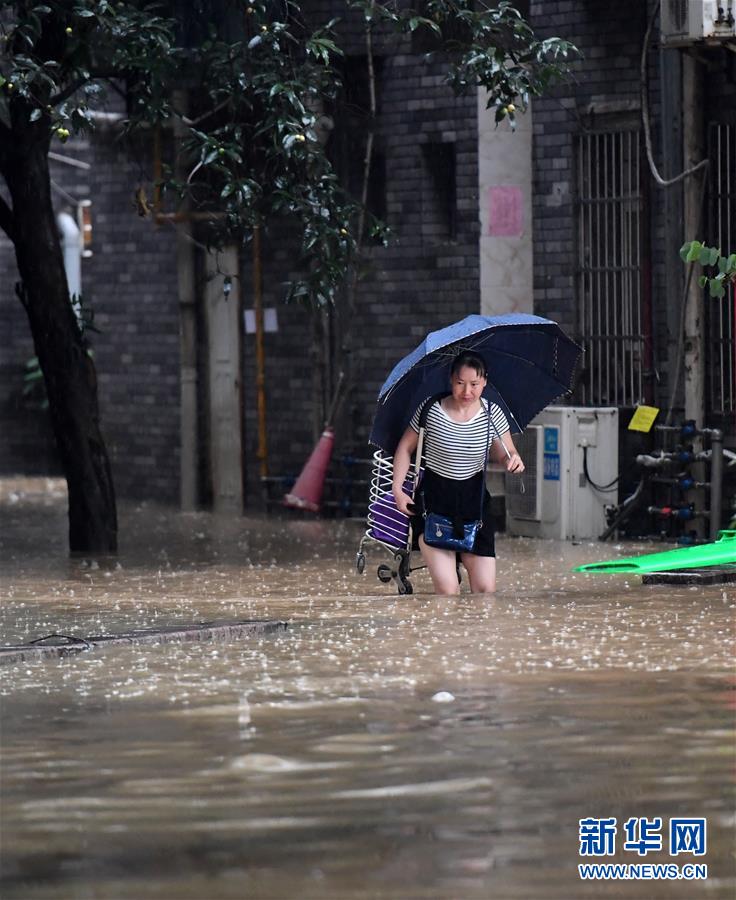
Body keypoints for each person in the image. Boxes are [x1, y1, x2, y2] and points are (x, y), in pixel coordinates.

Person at [391, 351, 524, 594]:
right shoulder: (430, 409)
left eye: (474, 384)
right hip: (434, 504)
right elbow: (404, 447)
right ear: (451, 379)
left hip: (474, 506)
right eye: (460, 383)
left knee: (485, 593)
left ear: (484, 381)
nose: (467, 392)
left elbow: (506, 452)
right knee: (449, 594)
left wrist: (512, 459)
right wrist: (398, 490)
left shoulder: (492, 414)